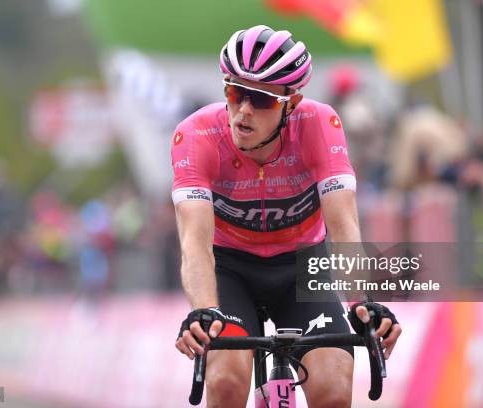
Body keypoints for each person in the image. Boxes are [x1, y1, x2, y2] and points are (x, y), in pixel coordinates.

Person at [172, 25, 402, 408]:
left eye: (260, 101)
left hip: (303, 266)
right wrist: (203, 310)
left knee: (333, 389)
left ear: (290, 104)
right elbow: (194, 241)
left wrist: (362, 301)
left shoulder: (318, 125)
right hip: (230, 270)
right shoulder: (196, 135)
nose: (243, 111)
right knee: (227, 381)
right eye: (235, 93)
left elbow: (344, 225)